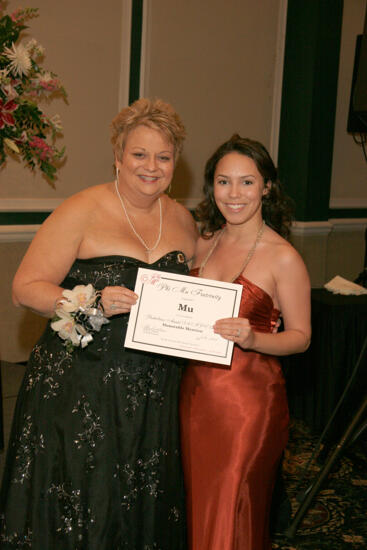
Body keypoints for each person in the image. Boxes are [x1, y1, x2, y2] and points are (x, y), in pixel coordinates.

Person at [0, 98, 197, 549]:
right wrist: (91, 304)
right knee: (85, 500)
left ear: (175, 163)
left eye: (163, 157)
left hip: (153, 390)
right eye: (139, 154)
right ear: (118, 156)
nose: (151, 166)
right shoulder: (82, 209)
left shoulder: (184, 221)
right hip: (81, 386)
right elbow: (25, 287)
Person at [179, 134, 311, 550]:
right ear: (211, 186)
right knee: (198, 504)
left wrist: (255, 337)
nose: (234, 194)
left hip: (248, 406)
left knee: (233, 507)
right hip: (195, 397)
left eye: (247, 182)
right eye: (223, 182)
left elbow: (302, 338)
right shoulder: (203, 242)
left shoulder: (282, 256)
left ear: (267, 187)